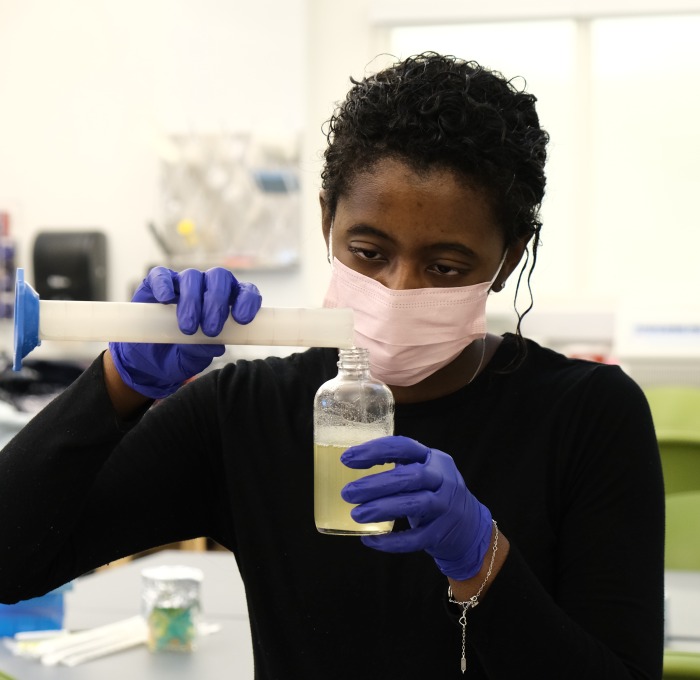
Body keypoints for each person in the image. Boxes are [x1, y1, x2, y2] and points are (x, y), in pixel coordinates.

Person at [0, 52, 664, 679]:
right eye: (369, 251)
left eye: (445, 266)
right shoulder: (245, 414)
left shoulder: (589, 416)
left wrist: (485, 563)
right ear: (327, 223)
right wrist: (117, 384)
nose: (399, 290)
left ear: (508, 259)